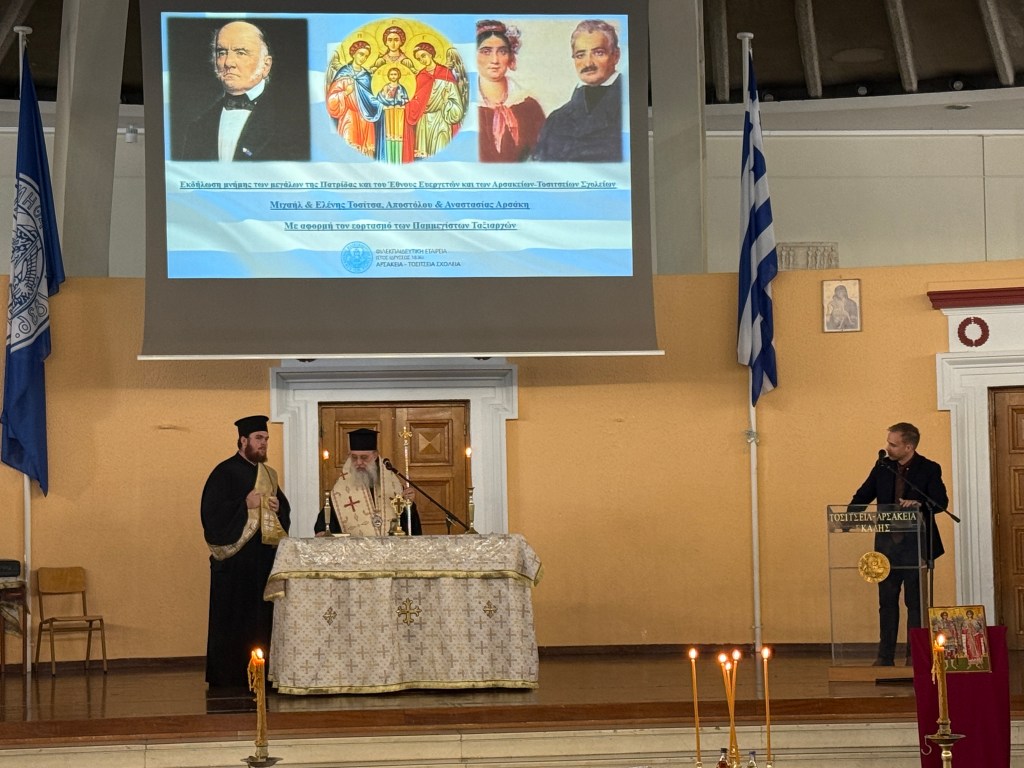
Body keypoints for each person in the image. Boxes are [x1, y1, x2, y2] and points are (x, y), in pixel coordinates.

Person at [201, 415, 291, 691]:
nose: (264, 444)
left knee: (260, 619)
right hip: (235, 564)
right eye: (258, 438)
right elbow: (211, 514)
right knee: (233, 620)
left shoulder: (268, 475)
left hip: (262, 562)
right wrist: (244, 504)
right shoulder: (224, 472)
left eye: (266, 439)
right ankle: (230, 677)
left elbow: (284, 514)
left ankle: (262, 673)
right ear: (243, 441)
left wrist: (278, 509)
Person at [849, 422, 947, 667]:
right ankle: (885, 658)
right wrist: (848, 517)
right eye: (888, 443)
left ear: (908, 447)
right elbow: (863, 495)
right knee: (887, 604)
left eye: (893, 444)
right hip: (887, 549)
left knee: (915, 605)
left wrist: (919, 504)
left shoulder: (929, 468)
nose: (888, 448)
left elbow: (940, 502)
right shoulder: (882, 467)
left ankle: (915, 659)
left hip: (916, 548)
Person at [182, 20, 309, 161]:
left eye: (241, 53)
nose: (228, 62)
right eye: (222, 52)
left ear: (266, 65)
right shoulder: (197, 129)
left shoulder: (294, 122)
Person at [532, 19, 623, 162]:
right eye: (580, 55)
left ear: (615, 56)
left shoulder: (630, 109)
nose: (588, 63)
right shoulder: (556, 120)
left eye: (598, 53)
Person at [315, 428, 421, 536]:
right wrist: (323, 531)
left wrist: (409, 505)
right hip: (356, 546)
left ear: (375, 455)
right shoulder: (341, 489)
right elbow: (327, 521)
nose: (359, 462)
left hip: (390, 545)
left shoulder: (392, 484)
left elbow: (409, 526)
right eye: (354, 457)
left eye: (364, 457)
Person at [476, 20, 545, 163]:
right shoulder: (462, 106)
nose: (495, 60)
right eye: (486, 51)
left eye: (502, 51)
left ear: (510, 56)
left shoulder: (529, 106)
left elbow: (543, 158)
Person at [403, 41, 465, 162]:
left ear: (430, 54)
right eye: (419, 58)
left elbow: (456, 102)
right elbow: (416, 100)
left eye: (423, 55)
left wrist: (446, 100)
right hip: (424, 121)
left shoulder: (445, 73)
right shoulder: (420, 76)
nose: (422, 60)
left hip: (441, 119)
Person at [326, 40, 384, 159]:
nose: (363, 58)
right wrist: (345, 93)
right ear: (354, 53)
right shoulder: (343, 73)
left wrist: (381, 100)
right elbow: (331, 99)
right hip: (349, 117)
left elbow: (370, 97)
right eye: (361, 54)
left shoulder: (366, 76)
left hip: (365, 118)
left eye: (366, 56)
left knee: (366, 153)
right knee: (348, 149)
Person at [377, 68, 410, 163]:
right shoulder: (385, 87)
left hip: (399, 114)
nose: (393, 76)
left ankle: (397, 159)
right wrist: (388, 103)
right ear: (388, 76)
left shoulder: (401, 88)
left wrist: (401, 103)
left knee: (398, 136)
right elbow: (380, 98)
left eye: (395, 74)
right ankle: (389, 158)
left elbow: (406, 99)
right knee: (388, 135)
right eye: (391, 74)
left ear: (398, 75)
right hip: (388, 113)